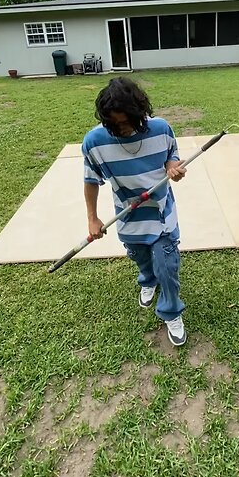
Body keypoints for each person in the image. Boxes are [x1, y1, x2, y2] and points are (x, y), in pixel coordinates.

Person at [81, 77, 189, 345]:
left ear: (140, 112)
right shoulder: (94, 142)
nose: (122, 128)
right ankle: (147, 279)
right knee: (139, 256)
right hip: (128, 216)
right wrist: (92, 218)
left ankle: (171, 311)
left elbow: (171, 155)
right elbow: (91, 180)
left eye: (127, 121)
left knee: (168, 265)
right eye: (115, 124)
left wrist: (172, 168)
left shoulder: (161, 129)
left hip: (162, 212)